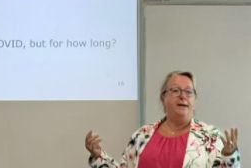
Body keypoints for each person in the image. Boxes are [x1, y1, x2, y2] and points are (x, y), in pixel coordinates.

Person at [85, 70, 241, 168]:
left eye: (189, 92)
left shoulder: (210, 137)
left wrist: (229, 157)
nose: (183, 96)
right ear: (163, 98)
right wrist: (99, 157)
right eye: (176, 90)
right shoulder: (141, 135)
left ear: (195, 101)